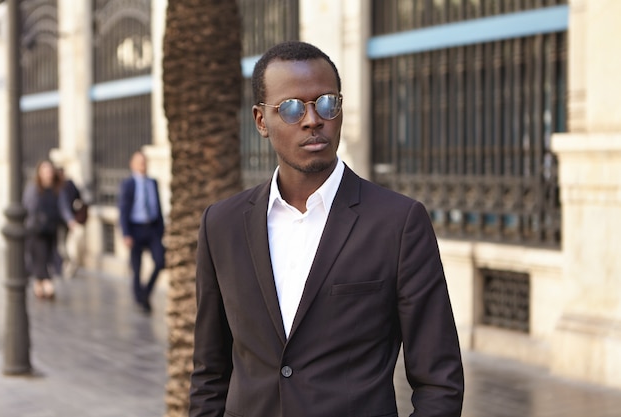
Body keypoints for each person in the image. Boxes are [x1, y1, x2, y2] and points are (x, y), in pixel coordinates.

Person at [189, 41, 464, 417]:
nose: (312, 119)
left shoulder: (398, 223)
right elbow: (210, 373)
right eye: (290, 108)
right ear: (260, 121)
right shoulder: (221, 224)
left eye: (326, 103)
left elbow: (440, 381)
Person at [118, 150, 165, 313]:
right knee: (137, 268)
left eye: (144, 161)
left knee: (160, 261)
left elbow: (158, 207)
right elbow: (123, 210)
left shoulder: (153, 182)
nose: (142, 165)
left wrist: (161, 229)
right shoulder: (128, 184)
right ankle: (140, 299)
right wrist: (126, 234)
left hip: (152, 228)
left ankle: (145, 293)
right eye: (139, 162)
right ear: (132, 164)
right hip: (135, 229)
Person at [23, 159, 61, 299]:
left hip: (51, 230)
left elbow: (62, 207)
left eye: (49, 170)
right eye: (44, 170)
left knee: (48, 257)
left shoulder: (56, 188)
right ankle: (46, 284)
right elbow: (29, 207)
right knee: (40, 258)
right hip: (36, 231)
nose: (48, 173)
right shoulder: (34, 188)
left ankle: (39, 286)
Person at [56, 167, 87, 278]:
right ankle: (65, 262)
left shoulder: (68, 185)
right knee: (61, 244)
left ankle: (69, 262)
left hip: (69, 219)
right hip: (58, 220)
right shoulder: (56, 186)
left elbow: (78, 198)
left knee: (66, 243)